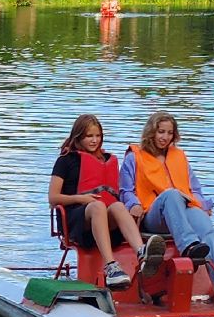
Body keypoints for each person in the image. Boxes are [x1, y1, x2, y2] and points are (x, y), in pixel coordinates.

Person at [120, 111, 214, 293]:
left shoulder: (179, 157)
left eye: (169, 133)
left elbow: (194, 190)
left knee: (203, 222)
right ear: (152, 132)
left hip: (182, 212)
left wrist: (204, 207)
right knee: (172, 195)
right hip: (152, 216)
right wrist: (133, 204)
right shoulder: (134, 157)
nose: (164, 137)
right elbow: (125, 191)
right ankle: (189, 246)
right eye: (161, 132)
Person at [49, 114, 166, 290]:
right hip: (76, 223)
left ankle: (142, 253)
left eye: (98, 136)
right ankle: (111, 266)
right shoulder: (65, 161)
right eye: (89, 136)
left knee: (118, 206)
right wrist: (80, 198)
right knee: (97, 206)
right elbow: (52, 198)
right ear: (78, 136)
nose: (94, 140)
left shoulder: (107, 160)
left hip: (105, 222)